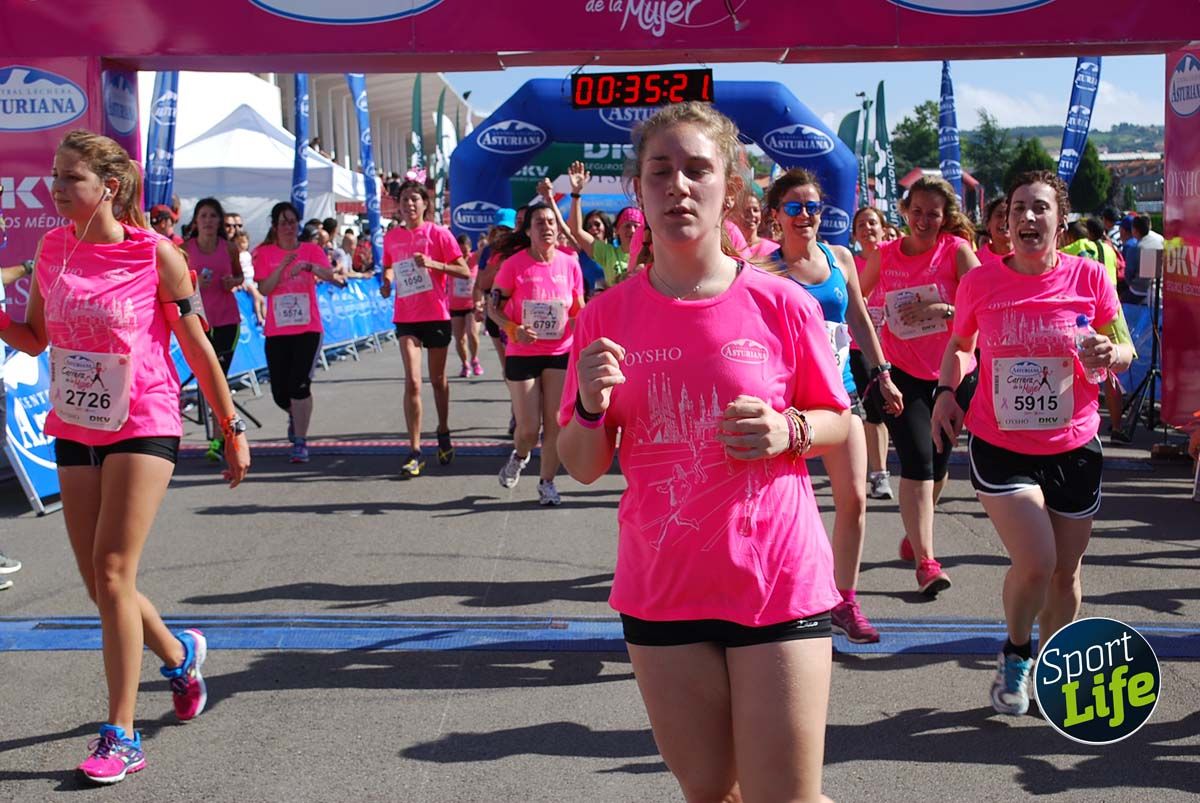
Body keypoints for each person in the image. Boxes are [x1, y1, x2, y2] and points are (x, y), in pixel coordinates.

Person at [558, 101, 849, 803]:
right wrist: (593, 407)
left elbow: (843, 421)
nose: (679, 185)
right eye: (661, 170)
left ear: (730, 188)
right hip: (664, 588)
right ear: (639, 190)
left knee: (786, 794)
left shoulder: (782, 303)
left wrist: (792, 431)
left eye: (698, 170)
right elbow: (582, 461)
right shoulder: (605, 316)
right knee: (712, 788)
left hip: (775, 576)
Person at [0, 129, 250, 783]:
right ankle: (179, 653)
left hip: (143, 418)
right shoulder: (50, 249)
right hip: (76, 422)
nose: (54, 189)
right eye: (54, 176)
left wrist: (228, 425)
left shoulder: (156, 253)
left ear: (109, 187)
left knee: (112, 571)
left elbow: (197, 348)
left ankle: (122, 734)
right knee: (99, 582)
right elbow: (32, 339)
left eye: (69, 178)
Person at [931, 170, 1135, 715]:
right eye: (1017, 208)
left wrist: (1111, 356)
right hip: (1001, 443)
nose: (1027, 217)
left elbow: (1125, 347)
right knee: (1038, 561)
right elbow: (961, 343)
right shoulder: (981, 282)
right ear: (1004, 223)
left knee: (1066, 571)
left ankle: (1054, 663)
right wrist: (948, 390)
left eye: (1039, 208)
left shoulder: (1091, 277)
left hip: (1074, 443)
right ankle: (1017, 652)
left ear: (1059, 221)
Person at [767, 174, 905, 644]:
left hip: (841, 395)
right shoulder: (763, 268)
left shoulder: (839, 257)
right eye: (793, 207)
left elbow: (860, 320)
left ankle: (844, 599)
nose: (805, 215)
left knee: (855, 500)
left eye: (812, 206)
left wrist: (882, 373)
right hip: (787, 402)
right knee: (781, 510)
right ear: (776, 215)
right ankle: (779, 598)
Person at [859, 176, 981, 596]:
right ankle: (927, 562)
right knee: (917, 461)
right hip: (902, 373)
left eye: (933, 213)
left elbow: (985, 300)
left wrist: (945, 309)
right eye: (917, 212)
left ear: (945, 217)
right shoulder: (887, 254)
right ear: (905, 212)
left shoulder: (956, 252)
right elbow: (858, 298)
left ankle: (915, 533)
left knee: (940, 463)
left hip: (954, 372)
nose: (924, 220)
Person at [489, 203, 585, 506]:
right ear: (528, 230)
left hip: (560, 350)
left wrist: (577, 320)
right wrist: (513, 328)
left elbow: (577, 307)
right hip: (522, 350)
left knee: (555, 422)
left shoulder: (570, 263)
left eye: (551, 222)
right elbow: (494, 308)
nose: (547, 227)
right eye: (540, 222)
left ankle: (547, 483)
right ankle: (520, 454)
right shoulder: (513, 265)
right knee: (528, 428)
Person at [381, 179, 470, 476]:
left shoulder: (439, 233)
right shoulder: (392, 237)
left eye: (415, 200)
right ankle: (415, 450)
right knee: (413, 381)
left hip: (436, 314)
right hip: (406, 316)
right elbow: (390, 265)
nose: (409, 205)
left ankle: (443, 431)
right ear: (399, 205)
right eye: (404, 199)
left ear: (425, 204)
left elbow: (463, 269)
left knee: (438, 379)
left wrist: (434, 264)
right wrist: (387, 280)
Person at [255, 202, 344, 463]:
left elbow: (330, 275)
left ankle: (301, 441)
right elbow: (265, 290)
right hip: (277, 330)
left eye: (292, 221)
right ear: (275, 226)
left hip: (307, 328)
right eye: (283, 222)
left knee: (299, 384)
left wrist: (310, 268)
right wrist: (282, 267)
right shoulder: (264, 253)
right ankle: (294, 413)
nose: (288, 226)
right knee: (281, 392)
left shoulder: (311, 250)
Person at [184, 197, 245, 458]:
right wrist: (194, 286)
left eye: (212, 216)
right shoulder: (184, 249)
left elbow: (240, 275)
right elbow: (176, 284)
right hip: (197, 324)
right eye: (203, 216)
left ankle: (219, 441)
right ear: (196, 222)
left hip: (227, 322)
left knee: (217, 379)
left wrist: (232, 281)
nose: (208, 221)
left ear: (220, 221)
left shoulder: (228, 248)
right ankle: (226, 430)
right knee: (208, 381)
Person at [850, 207, 895, 500]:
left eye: (873, 223)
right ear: (854, 233)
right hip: (860, 347)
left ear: (883, 228)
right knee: (875, 410)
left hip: (897, 347)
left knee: (891, 411)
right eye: (861, 224)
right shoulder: (848, 264)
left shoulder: (895, 260)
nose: (867, 228)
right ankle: (880, 475)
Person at [566, 161, 642, 287]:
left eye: (636, 226)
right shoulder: (608, 253)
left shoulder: (651, 254)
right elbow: (576, 230)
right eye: (627, 226)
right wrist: (576, 193)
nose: (632, 230)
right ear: (617, 230)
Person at [450, 233, 483, 377]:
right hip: (455, 306)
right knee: (460, 339)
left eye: (466, 250)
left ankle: (475, 359)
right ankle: (465, 364)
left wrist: (485, 242)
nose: (464, 254)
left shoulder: (474, 258)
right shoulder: (452, 261)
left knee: (472, 333)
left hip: (472, 304)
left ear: (470, 248)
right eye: (461, 250)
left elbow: (486, 250)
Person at [735, 187, 780, 261]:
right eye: (746, 211)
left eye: (756, 210)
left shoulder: (774, 249)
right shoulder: (729, 248)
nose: (752, 214)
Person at [976, 196, 1011, 264]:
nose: (1005, 220)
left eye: (1009, 215)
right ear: (988, 224)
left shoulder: (1027, 257)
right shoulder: (976, 260)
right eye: (999, 215)